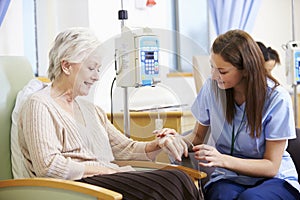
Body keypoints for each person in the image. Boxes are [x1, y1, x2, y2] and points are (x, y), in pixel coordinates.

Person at [18, 27, 202, 200]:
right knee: (170, 182)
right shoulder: (39, 105)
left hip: (104, 180)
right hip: (74, 187)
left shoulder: (91, 110)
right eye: (91, 68)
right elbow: (48, 166)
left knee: (179, 176)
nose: (97, 76)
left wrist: (157, 144)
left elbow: (126, 149)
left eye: (98, 69)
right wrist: (106, 170)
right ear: (66, 66)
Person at [183, 29, 300, 199]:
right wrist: (175, 140)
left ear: (245, 70)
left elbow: (271, 166)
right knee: (221, 196)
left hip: (274, 179)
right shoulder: (211, 89)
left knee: (250, 198)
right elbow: (196, 137)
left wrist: (223, 160)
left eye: (222, 71)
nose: (214, 76)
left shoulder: (277, 98)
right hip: (229, 177)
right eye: (212, 67)